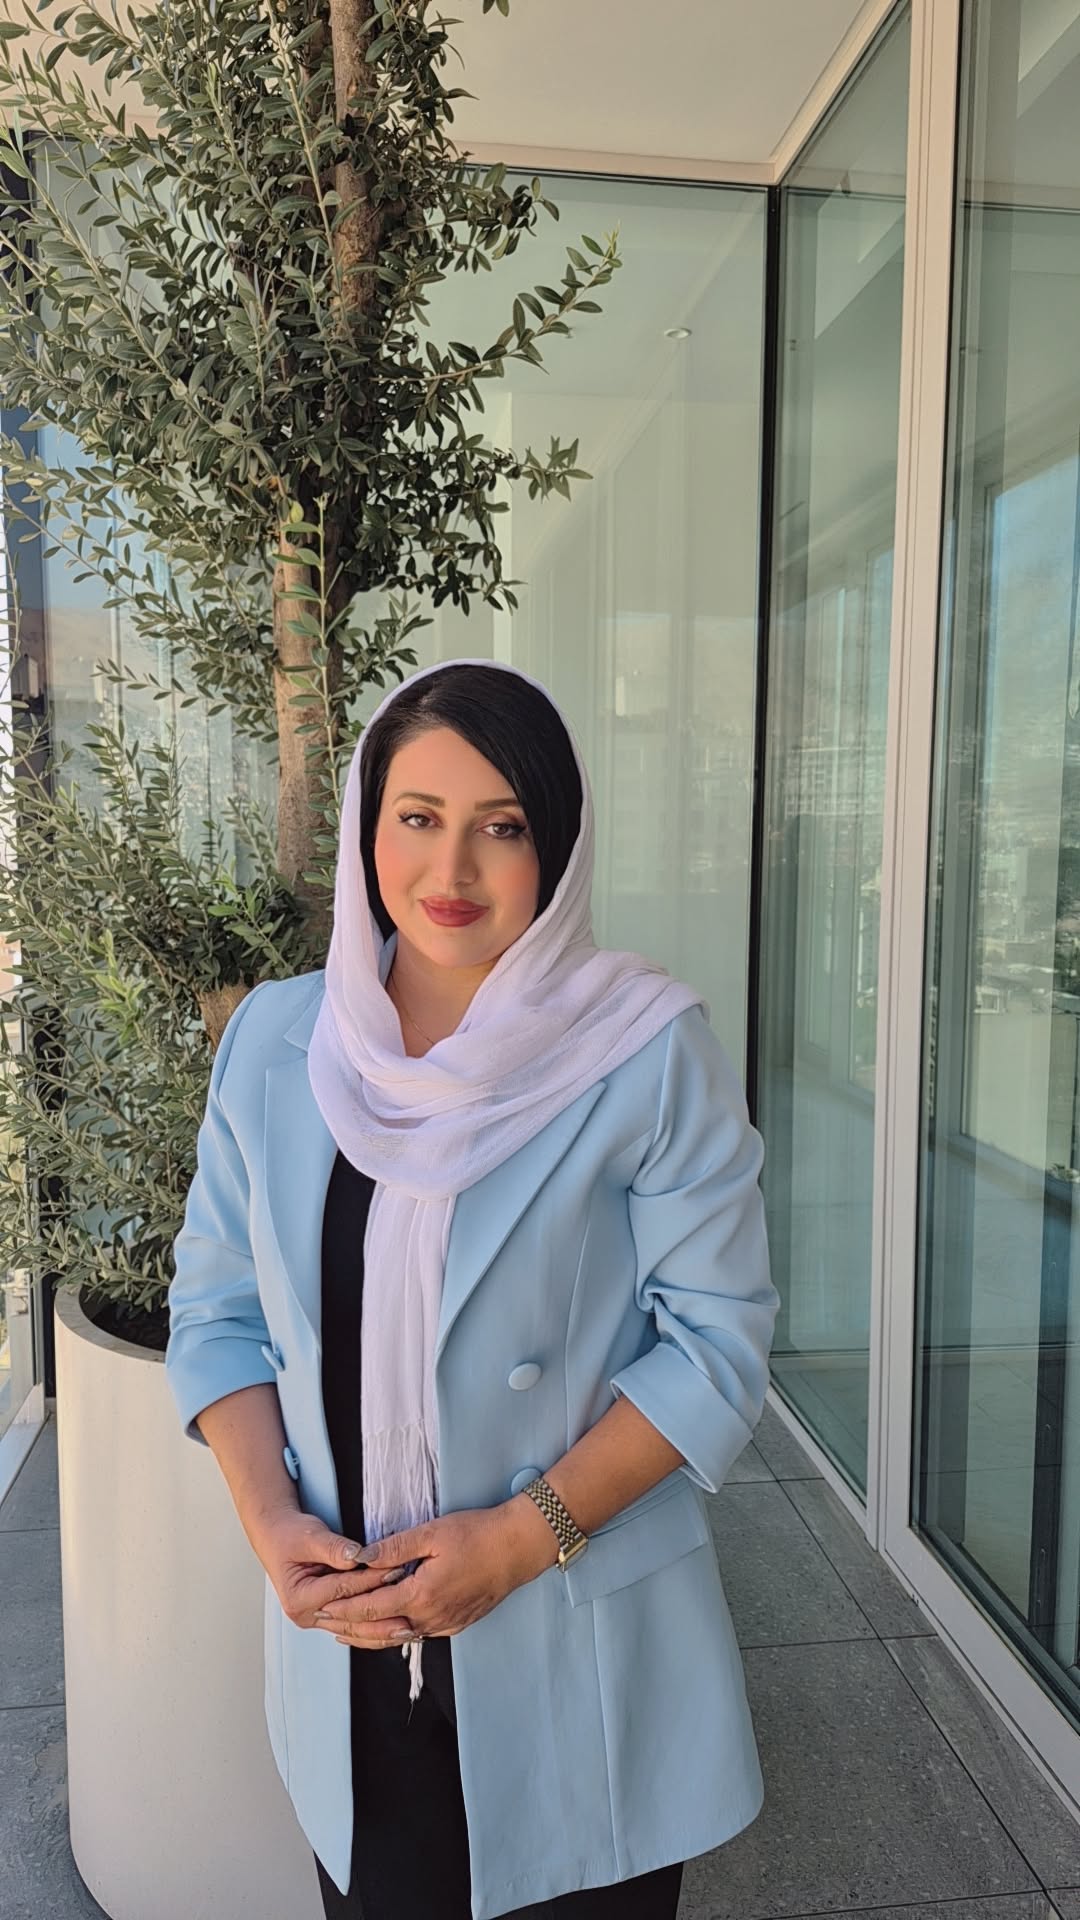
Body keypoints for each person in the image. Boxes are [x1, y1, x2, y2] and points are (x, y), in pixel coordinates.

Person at [165, 657, 781, 1920]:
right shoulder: (280, 1041)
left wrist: (519, 1541)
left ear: (557, 846)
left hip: (573, 1637)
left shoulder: (645, 1050)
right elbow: (218, 1314)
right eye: (418, 818)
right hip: (351, 1644)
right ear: (367, 827)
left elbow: (716, 1346)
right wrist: (271, 1524)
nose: (450, 871)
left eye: (501, 827)